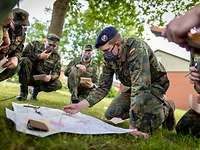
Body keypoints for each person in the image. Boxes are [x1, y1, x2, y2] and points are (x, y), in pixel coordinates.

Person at [63, 26, 175, 138]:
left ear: (117, 44)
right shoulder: (109, 58)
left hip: (155, 86)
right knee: (111, 115)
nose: (105, 55)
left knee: (143, 127)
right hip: (135, 87)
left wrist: (133, 125)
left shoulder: (137, 48)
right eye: (103, 52)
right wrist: (79, 106)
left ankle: (167, 107)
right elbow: (103, 87)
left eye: (106, 50)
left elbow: (141, 87)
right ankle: (145, 112)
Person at [16, 34, 62, 100]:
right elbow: (22, 57)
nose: (51, 47)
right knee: (25, 61)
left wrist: (50, 77)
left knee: (58, 84)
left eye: (54, 46)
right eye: (50, 45)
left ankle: (35, 91)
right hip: (28, 75)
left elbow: (57, 72)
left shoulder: (56, 56)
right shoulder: (34, 44)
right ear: (45, 41)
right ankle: (23, 93)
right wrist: (39, 57)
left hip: (40, 78)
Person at [0, 8, 29, 81]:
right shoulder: (2, 26)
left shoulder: (22, 34)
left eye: (23, 25)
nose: (21, 27)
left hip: (2, 60)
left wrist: (15, 57)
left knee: (16, 67)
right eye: (18, 24)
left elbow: (19, 49)